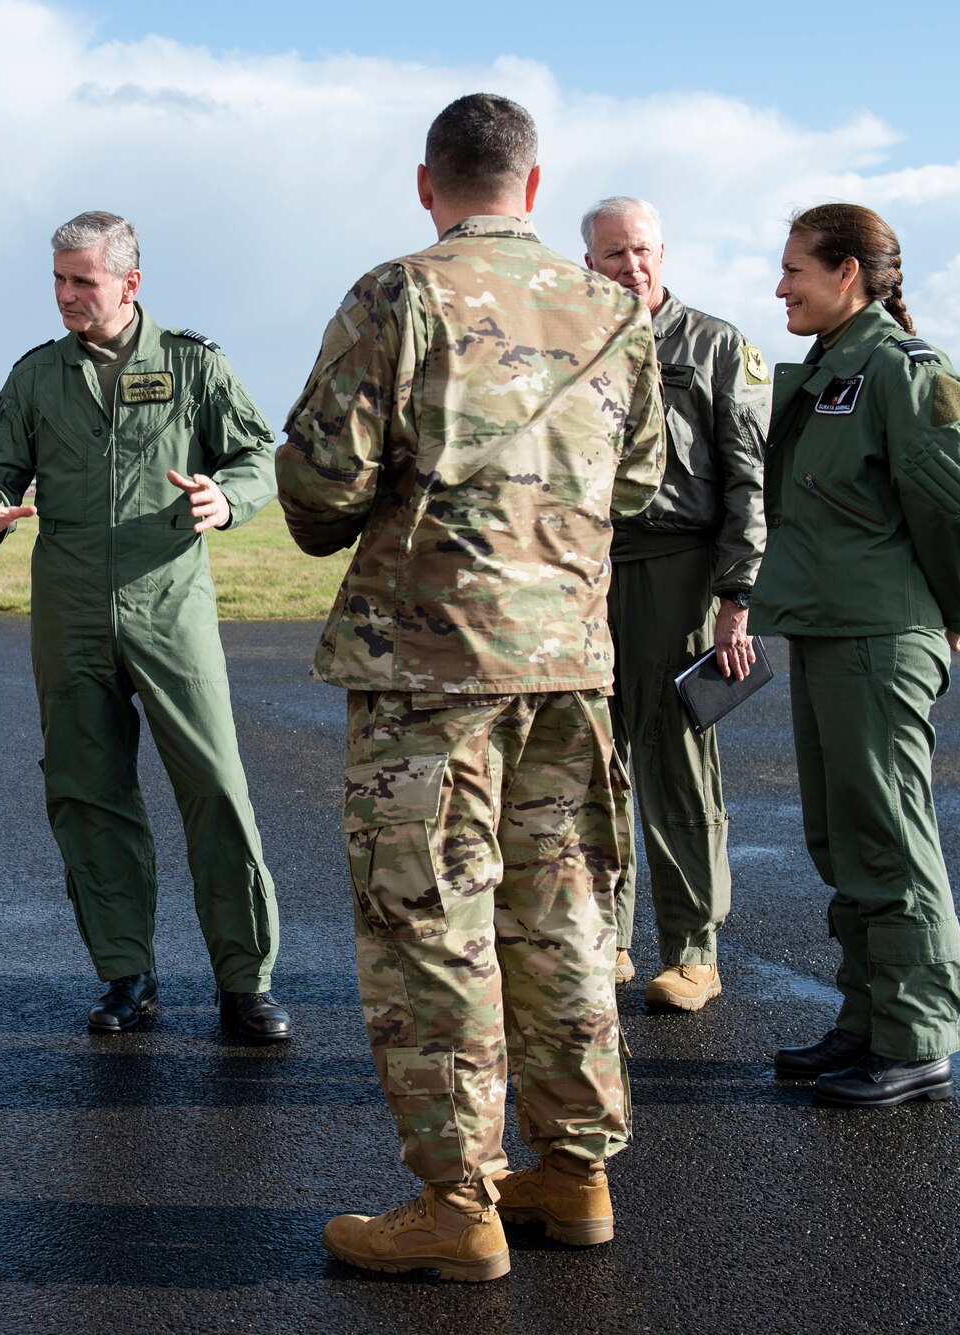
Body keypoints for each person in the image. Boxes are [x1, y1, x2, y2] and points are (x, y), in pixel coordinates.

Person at [278, 94, 664, 1279]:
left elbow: (319, 490)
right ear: (534, 190)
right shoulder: (612, 308)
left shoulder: (398, 293)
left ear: (425, 184)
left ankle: (457, 1201)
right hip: (570, 669)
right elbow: (641, 483)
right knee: (562, 915)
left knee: (431, 924)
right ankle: (574, 1169)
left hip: (431, 670)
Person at [0, 211, 292, 1043]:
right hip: (68, 608)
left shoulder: (191, 365)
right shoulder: (37, 376)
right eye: (59, 281)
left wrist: (228, 496)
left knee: (215, 784)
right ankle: (125, 975)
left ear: (130, 284)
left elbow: (257, 457)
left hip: (169, 599)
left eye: (84, 281)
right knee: (85, 788)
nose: (67, 296)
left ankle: (244, 981)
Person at [756, 203, 960, 1108]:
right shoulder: (833, 368)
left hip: (878, 633)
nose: (779, 285)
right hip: (830, 625)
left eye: (794, 269)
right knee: (841, 833)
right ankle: (866, 1018)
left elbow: (959, 505)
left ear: (848, 274)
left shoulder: (905, 371)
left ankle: (915, 1037)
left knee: (890, 835)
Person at [580, 196, 769, 1011]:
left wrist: (736, 597)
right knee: (597, 758)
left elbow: (747, 479)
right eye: (616, 254)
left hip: (684, 567)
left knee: (679, 757)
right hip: (593, 571)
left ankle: (694, 950)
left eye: (645, 249)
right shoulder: (574, 343)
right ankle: (610, 939)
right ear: (589, 262)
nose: (634, 265)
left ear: (665, 253)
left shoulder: (716, 344)